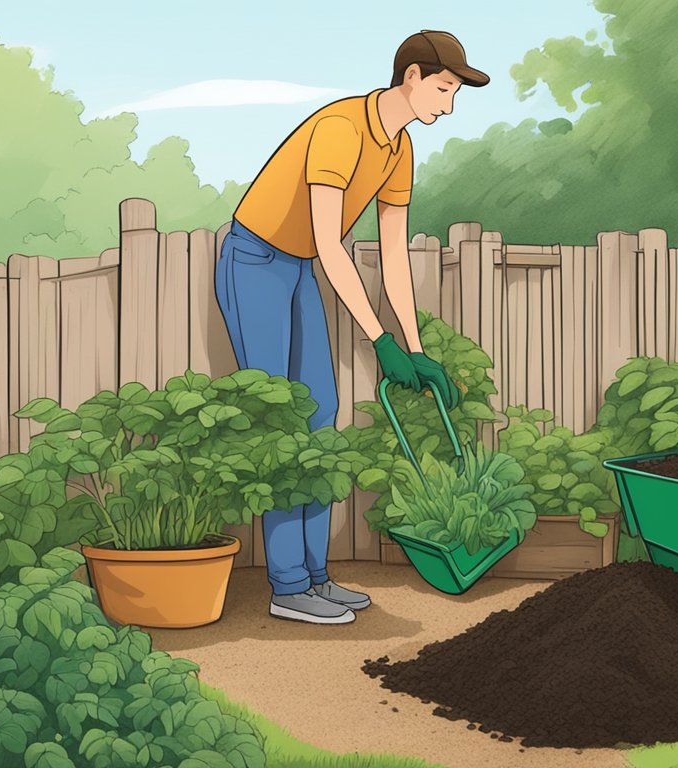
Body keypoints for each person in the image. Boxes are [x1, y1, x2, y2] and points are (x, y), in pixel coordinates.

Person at [214, 30, 484, 624]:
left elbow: (393, 258)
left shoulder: (399, 149)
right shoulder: (341, 129)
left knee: (321, 411)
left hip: (298, 267)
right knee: (284, 421)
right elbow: (333, 244)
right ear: (410, 77)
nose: (448, 104)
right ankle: (287, 586)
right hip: (255, 260)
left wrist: (416, 350)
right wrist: (380, 341)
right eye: (444, 89)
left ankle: (315, 575)